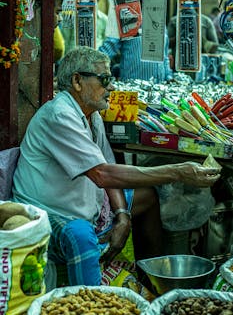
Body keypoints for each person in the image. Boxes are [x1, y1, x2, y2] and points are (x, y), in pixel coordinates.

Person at [12, 46, 221, 287]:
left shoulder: (92, 114)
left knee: (148, 198)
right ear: (77, 81)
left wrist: (122, 216)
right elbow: (102, 174)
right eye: (104, 79)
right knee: (80, 234)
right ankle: (90, 300)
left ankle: (150, 283)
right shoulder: (60, 115)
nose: (111, 87)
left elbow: (107, 166)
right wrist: (176, 172)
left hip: (88, 201)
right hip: (51, 211)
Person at [99, 0, 174, 82]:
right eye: (141, 0)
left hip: (158, 86)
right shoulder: (124, 21)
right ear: (135, 0)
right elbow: (108, 48)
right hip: (132, 87)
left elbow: (164, 57)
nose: (145, 4)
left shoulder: (160, 23)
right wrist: (91, 64)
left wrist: (169, 77)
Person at [168, 0, 219, 69]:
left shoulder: (206, 21)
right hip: (179, 63)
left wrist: (200, 39)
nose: (190, 7)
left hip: (200, 65)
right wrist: (180, 36)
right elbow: (167, 44)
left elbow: (215, 46)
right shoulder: (174, 21)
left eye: (193, 4)